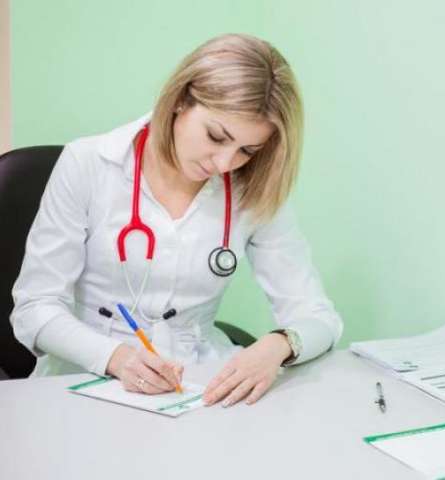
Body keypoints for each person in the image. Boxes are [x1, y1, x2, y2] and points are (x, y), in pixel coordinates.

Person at [11, 33, 342, 408]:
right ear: (181, 99)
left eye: (247, 150)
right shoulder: (88, 164)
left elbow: (319, 317)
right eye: (216, 136)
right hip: (84, 378)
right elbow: (35, 308)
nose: (224, 164)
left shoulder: (253, 189)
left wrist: (279, 344)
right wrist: (115, 357)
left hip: (197, 383)